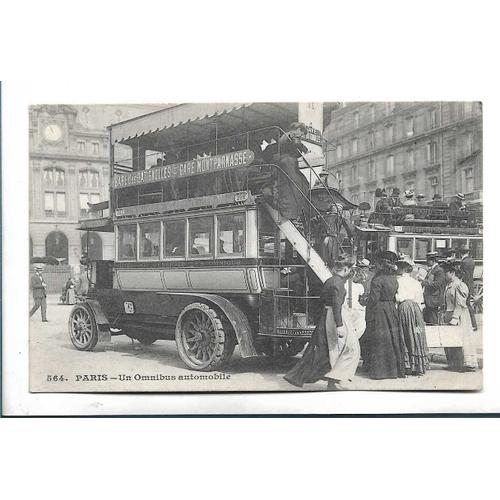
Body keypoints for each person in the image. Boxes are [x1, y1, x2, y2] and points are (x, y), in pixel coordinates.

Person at [284, 256, 360, 390]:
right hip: (336, 316)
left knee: (332, 349)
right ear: (346, 269)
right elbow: (336, 306)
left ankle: (333, 379)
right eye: (350, 269)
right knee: (350, 348)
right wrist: (340, 325)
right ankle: (335, 377)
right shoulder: (338, 284)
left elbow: (321, 300)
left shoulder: (330, 281)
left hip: (327, 315)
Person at [362, 251, 405, 379]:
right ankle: (394, 370)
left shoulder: (377, 279)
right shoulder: (394, 279)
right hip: (391, 309)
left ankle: (380, 372)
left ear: (381, 264)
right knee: (392, 339)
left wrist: (364, 301)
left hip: (379, 310)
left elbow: (373, 299)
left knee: (380, 340)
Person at [263, 122, 310, 222]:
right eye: (301, 132)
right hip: (287, 164)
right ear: (297, 129)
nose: (301, 135)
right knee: (296, 184)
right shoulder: (290, 135)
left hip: (289, 163)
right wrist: (305, 150)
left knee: (302, 183)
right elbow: (296, 144)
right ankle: (291, 209)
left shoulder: (287, 136)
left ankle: (295, 208)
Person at [441, 262, 478, 371]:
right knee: (449, 340)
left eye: (446, 273)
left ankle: (465, 364)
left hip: (460, 316)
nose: (444, 275)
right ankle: (453, 364)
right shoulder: (449, 285)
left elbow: (460, 304)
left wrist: (455, 318)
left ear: (452, 273)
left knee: (461, 339)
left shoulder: (459, 285)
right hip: (450, 313)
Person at [395, 258, 429, 375]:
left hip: (404, 308)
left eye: (399, 267)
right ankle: (418, 364)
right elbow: (420, 300)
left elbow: (398, 298)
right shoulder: (416, 282)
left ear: (403, 268)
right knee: (417, 333)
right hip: (416, 310)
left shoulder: (398, 281)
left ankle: (407, 364)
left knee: (405, 334)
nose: (397, 269)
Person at [422, 251, 446, 324]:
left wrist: (424, 282)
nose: (427, 262)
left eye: (428, 260)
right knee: (429, 319)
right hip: (430, 299)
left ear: (433, 261)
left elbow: (437, 284)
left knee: (433, 320)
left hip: (434, 299)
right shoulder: (432, 270)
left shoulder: (439, 270)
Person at [458, 247, 477, 331]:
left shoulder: (464, 262)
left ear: (461, 253)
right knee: (468, 305)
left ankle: (472, 324)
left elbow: (464, 275)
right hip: (470, 285)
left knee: (467, 305)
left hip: (465, 286)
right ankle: (473, 324)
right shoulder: (471, 260)